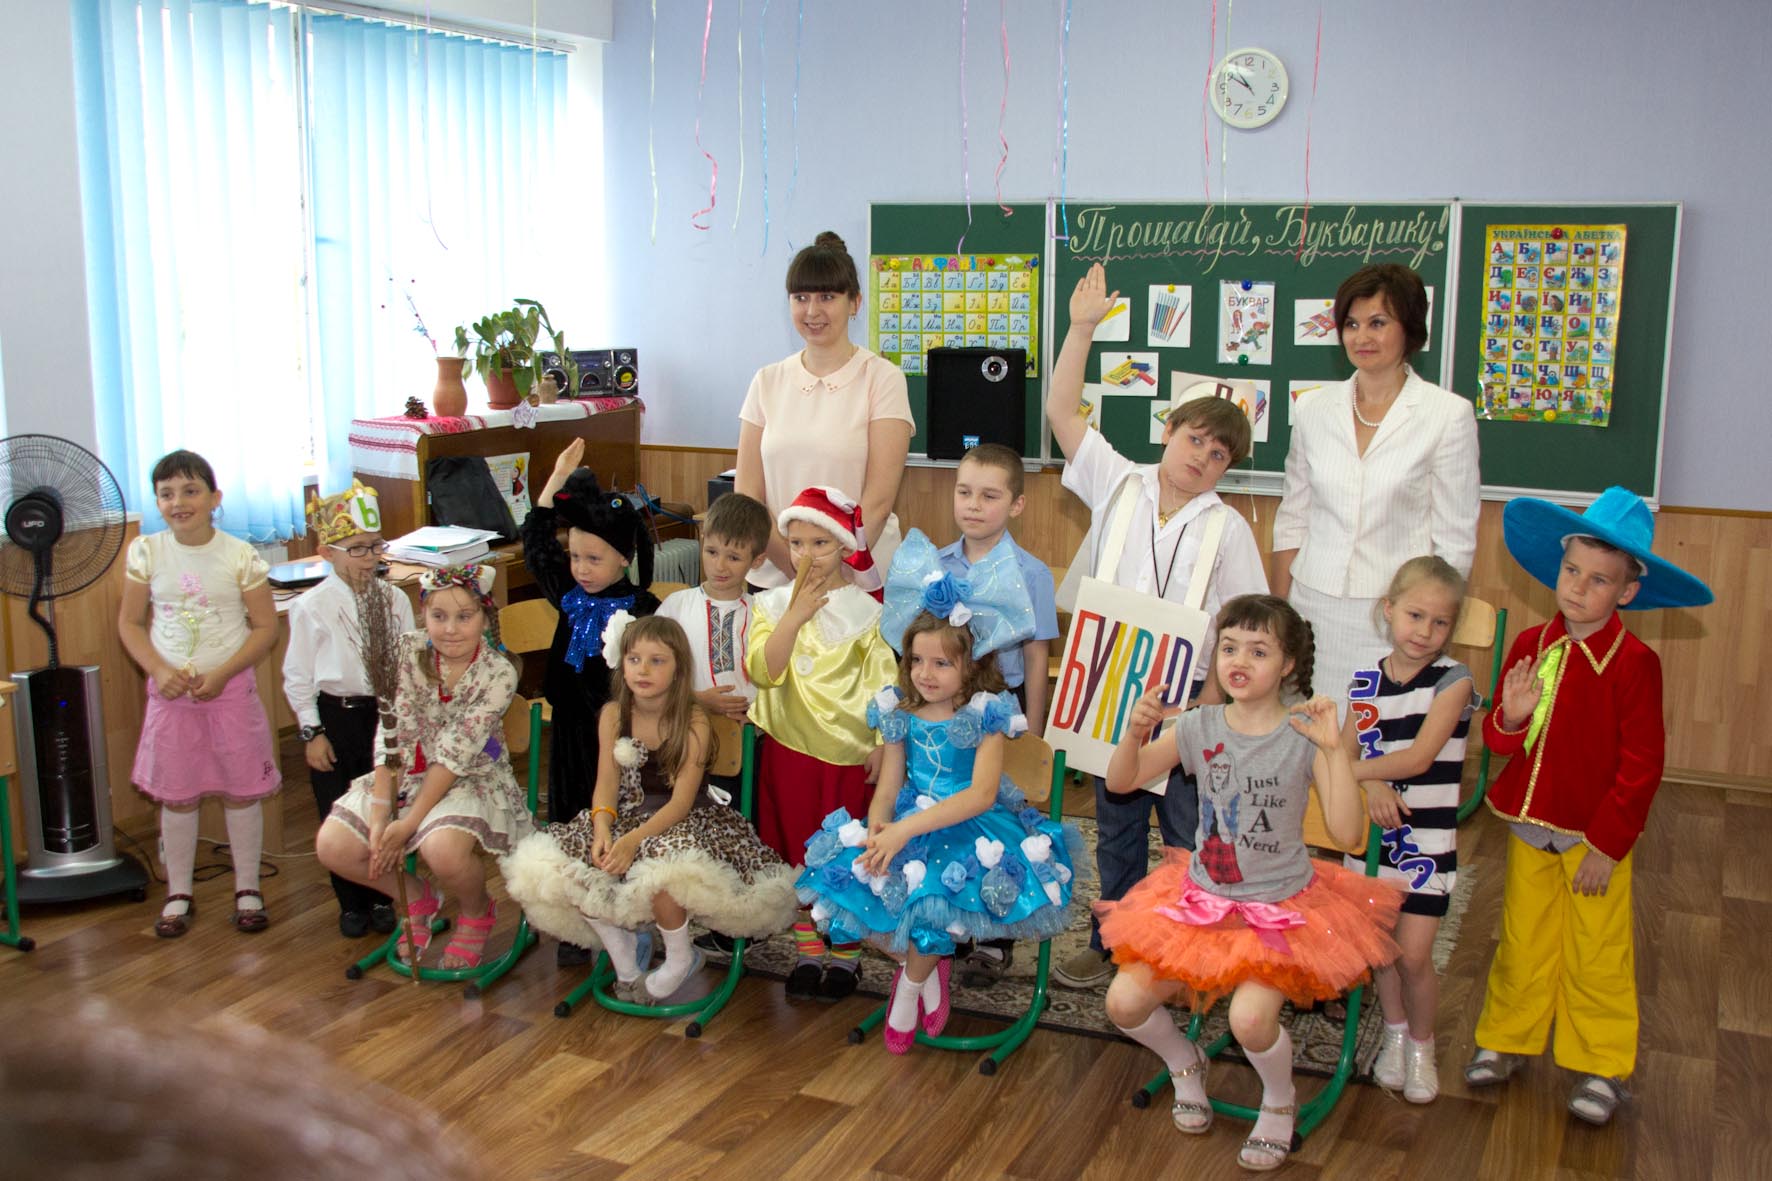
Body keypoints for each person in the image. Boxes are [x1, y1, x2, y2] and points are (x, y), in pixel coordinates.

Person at [1097, 594, 1403, 1172]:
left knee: (1251, 1019)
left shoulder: (1302, 732)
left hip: (1277, 911)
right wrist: (1134, 734)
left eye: (1259, 651)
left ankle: (1281, 1100)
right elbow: (1122, 782)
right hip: (1201, 903)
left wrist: (1333, 752)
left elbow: (1350, 833)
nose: (1239, 661)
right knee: (1123, 1003)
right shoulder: (1199, 724)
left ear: (1288, 665)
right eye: (1230, 648)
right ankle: (1185, 1063)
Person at [1046, 262, 1269, 990]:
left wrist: (1209, 699)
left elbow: (1246, 627)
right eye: (1196, 439)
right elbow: (1061, 412)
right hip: (1109, 693)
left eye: (1219, 454)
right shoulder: (1118, 480)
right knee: (1113, 825)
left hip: (1186, 707)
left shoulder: (1228, 528)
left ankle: (1181, 948)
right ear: (1167, 430)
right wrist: (1081, 328)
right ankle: (1112, 940)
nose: (1203, 458)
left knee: (1185, 832)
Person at [1464, 487, 1712, 1126]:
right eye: (1571, 570)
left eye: (1598, 580)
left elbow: (1642, 765)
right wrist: (1511, 718)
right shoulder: (1530, 644)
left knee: (1597, 951)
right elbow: (1498, 741)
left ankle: (1602, 1064)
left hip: (1594, 840)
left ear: (1627, 592)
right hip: (1528, 827)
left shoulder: (1635, 665)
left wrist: (1607, 843)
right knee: (1522, 938)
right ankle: (1507, 1038)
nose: (1577, 587)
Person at [797, 530, 1081, 1053]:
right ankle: (928, 970)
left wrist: (904, 830)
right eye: (917, 661)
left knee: (932, 898)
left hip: (970, 824)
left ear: (971, 664)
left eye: (942, 663)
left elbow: (979, 795)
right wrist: (880, 826)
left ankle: (909, 988)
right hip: (909, 819)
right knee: (851, 886)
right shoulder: (899, 711)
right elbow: (889, 783)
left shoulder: (985, 713)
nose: (925, 674)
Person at [501, 616, 798, 1003]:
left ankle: (680, 957)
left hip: (684, 820)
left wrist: (631, 842)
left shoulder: (692, 719)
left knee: (664, 875)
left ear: (678, 670)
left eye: (657, 661)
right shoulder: (613, 715)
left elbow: (681, 803)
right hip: (627, 814)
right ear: (621, 664)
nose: (643, 670)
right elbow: (606, 784)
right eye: (634, 659)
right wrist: (603, 828)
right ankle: (625, 961)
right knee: (572, 865)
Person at [1271, 263, 1480, 710]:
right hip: (1311, 612)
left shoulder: (1447, 415)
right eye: (1351, 324)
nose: (1361, 336)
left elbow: (1455, 543)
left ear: (1410, 329)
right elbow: (1293, 519)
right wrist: (1280, 616)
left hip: (1395, 621)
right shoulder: (1313, 409)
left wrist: (1424, 624)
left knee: (1377, 741)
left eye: (1378, 323)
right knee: (1302, 734)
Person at [314, 564, 534, 970]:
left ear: (486, 617)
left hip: (470, 777)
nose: (450, 629)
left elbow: (454, 755)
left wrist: (407, 825)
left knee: (443, 851)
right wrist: (380, 818)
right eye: (438, 616)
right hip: (406, 774)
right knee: (333, 846)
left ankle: (476, 910)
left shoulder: (498, 673)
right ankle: (418, 899)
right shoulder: (407, 652)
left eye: (464, 617)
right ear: (423, 616)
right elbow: (392, 736)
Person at [117, 449, 281, 938]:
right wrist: (157, 668)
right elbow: (130, 623)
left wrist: (225, 673)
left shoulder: (239, 556)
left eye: (190, 491)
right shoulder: (147, 553)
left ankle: (248, 888)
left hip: (229, 694)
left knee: (241, 790)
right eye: (166, 494)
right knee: (178, 796)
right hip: (171, 698)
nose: (179, 502)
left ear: (215, 498)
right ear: (157, 502)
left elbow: (265, 626)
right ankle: (179, 892)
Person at [746, 486, 900, 1000]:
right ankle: (808, 952)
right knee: (796, 853)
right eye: (796, 544)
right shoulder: (769, 606)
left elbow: (884, 685)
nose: (807, 555)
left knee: (844, 856)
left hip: (847, 758)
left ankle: (846, 955)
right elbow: (763, 671)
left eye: (820, 544)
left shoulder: (866, 613)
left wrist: (880, 743)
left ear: (843, 547)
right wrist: (793, 617)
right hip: (789, 752)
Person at [520, 437, 660, 965]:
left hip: (619, 740)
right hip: (569, 730)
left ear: (623, 558)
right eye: (575, 556)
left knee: (613, 821)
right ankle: (578, 924)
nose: (580, 567)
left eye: (593, 558)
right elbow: (537, 542)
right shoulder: (568, 595)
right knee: (567, 819)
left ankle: (622, 921)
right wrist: (557, 477)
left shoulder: (642, 607)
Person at [1341, 556, 1476, 1103]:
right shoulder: (1364, 682)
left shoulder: (1454, 681)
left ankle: (1422, 1045)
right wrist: (1371, 784)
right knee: (1381, 953)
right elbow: (1346, 752)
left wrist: (1353, 774)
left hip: (1427, 844)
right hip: (1370, 847)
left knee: (1413, 956)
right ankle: (1394, 1035)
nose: (1424, 631)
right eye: (1415, 616)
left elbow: (1419, 759)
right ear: (1389, 610)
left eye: (1440, 622)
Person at [936, 442, 1060, 985]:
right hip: (944, 708)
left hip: (1002, 707)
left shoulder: (1032, 573)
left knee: (1000, 817)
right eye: (965, 492)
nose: (973, 505)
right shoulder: (936, 565)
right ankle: (950, 915)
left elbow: (1036, 654)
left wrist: (1034, 728)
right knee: (946, 807)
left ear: (1016, 505)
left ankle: (995, 935)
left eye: (989, 496)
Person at [737, 231, 914, 589]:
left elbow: (878, 501)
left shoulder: (883, 378)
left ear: (855, 303)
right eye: (801, 297)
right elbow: (747, 494)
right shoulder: (767, 380)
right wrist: (793, 566)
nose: (812, 311)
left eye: (827, 297)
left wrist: (833, 573)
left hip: (858, 576)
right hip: (776, 575)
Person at [283, 480, 414, 938]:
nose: (369, 557)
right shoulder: (310, 607)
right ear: (328, 552)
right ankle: (351, 901)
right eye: (357, 549)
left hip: (384, 714)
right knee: (338, 807)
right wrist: (311, 731)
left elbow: (407, 660)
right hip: (336, 717)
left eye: (376, 546)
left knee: (383, 805)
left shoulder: (394, 599)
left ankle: (382, 894)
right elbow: (298, 676)